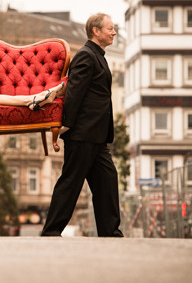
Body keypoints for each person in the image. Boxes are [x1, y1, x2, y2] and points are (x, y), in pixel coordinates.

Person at [41, 13, 123, 237]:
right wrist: (65, 125)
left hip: (96, 135)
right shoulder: (86, 56)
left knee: (107, 180)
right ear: (96, 31)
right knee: (71, 183)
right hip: (83, 134)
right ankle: (51, 231)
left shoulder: (98, 55)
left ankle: (110, 232)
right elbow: (75, 93)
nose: (114, 32)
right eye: (110, 28)